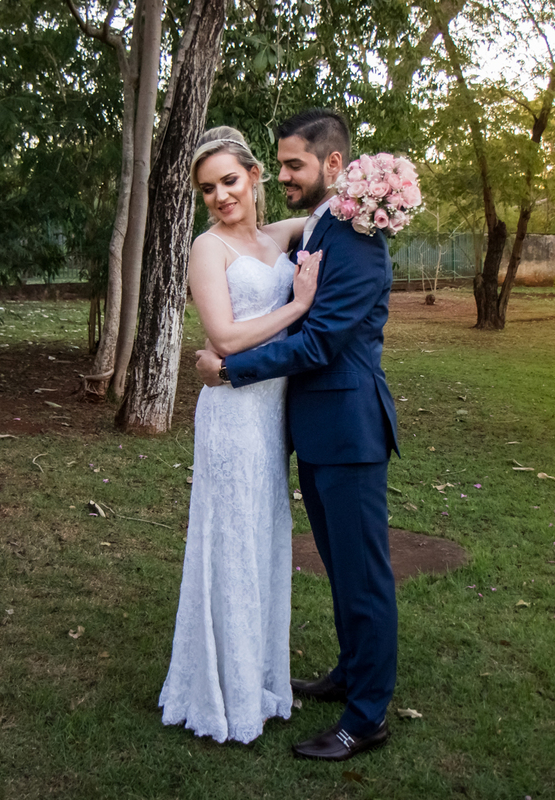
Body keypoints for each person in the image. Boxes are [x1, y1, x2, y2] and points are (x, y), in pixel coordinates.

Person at [196, 109, 400, 761]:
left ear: (332, 164)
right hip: (313, 432)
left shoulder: (357, 236)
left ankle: (366, 717)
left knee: (364, 577)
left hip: (349, 430)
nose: (282, 175)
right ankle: (350, 671)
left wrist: (231, 369)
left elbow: (319, 343)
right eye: (279, 165)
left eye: (293, 165)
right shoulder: (319, 224)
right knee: (340, 568)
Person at [158, 126, 320, 744]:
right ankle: (221, 689)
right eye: (208, 189)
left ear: (255, 176)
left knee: (263, 538)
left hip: (270, 417)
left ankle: (256, 678)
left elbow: (333, 208)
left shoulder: (279, 236)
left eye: (229, 180)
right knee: (231, 541)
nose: (221, 196)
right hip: (230, 417)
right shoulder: (208, 248)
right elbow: (223, 339)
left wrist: (381, 190)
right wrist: (296, 307)